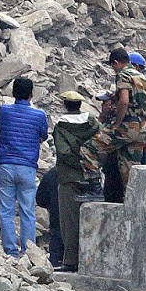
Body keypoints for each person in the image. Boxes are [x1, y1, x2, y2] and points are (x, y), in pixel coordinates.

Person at [0, 77, 48, 258]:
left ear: (12, 93)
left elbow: (1, 127)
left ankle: (10, 251)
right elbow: (43, 136)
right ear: (31, 95)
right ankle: (28, 251)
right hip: (27, 166)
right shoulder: (39, 115)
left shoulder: (4, 111)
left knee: (6, 210)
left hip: (6, 164)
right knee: (27, 211)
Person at [52, 91, 102, 272]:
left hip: (69, 178)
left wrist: (76, 162)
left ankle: (71, 260)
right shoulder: (93, 124)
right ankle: (92, 261)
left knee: (70, 221)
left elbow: (63, 153)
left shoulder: (61, 126)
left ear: (65, 105)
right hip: (92, 177)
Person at [102, 49, 146, 200]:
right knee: (131, 169)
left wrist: (117, 123)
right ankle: (135, 200)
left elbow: (124, 101)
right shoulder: (143, 78)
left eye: (113, 66)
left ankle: (91, 186)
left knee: (90, 148)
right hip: (142, 128)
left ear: (116, 63)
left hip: (127, 126)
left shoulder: (123, 75)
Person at [36, 167, 63, 268]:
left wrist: (50, 206)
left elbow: (40, 198)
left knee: (56, 234)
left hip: (56, 213)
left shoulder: (51, 173)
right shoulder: (83, 172)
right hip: (78, 216)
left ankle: (55, 262)